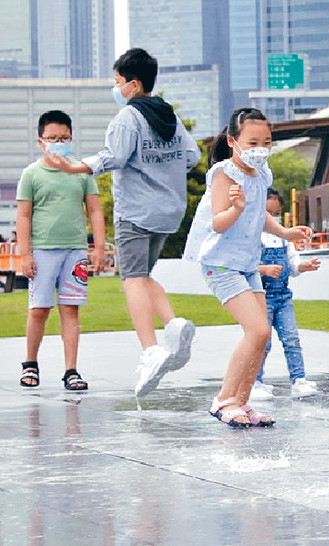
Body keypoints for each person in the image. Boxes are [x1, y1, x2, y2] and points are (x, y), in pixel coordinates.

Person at [42, 48, 201, 397]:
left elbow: (113, 157)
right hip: (167, 212)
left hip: (136, 212)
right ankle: (174, 324)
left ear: (133, 84)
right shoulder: (168, 116)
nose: (116, 89)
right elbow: (192, 155)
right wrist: (162, 170)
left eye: (117, 83)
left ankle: (150, 350)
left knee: (130, 280)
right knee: (144, 277)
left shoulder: (129, 118)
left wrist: (73, 166)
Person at [183, 108, 311, 427]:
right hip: (220, 264)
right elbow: (219, 222)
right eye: (253, 142)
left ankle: (241, 403)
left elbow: (259, 215)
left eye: (266, 142)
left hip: (247, 265)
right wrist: (236, 208)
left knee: (260, 334)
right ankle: (224, 401)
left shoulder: (262, 174)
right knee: (258, 330)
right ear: (232, 141)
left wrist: (285, 232)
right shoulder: (224, 173)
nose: (261, 149)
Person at [16, 110, 107, 390]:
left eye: (64, 137)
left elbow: (94, 210)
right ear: (41, 141)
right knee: (39, 309)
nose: (59, 142)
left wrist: (99, 248)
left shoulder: (81, 172)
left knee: (70, 309)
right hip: (42, 251)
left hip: (74, 251)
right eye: (53, 138)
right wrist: (25, 253)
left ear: (71, 138)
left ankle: (71, 371)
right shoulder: (31, 174)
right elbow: (24, 216)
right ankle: (30, 364)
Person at [250, 188, 321, 400]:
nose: (273, 218)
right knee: (263, 341)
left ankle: (299, 380)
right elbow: (246, 266)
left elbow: (292, 265)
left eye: (277, 213)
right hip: (261, 298)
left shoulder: (284, 239)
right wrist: (264, 269)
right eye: (268, 213)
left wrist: (303, 266)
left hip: (283, 297)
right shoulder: (252, 238)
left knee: (291, 338)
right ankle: (255, 381)